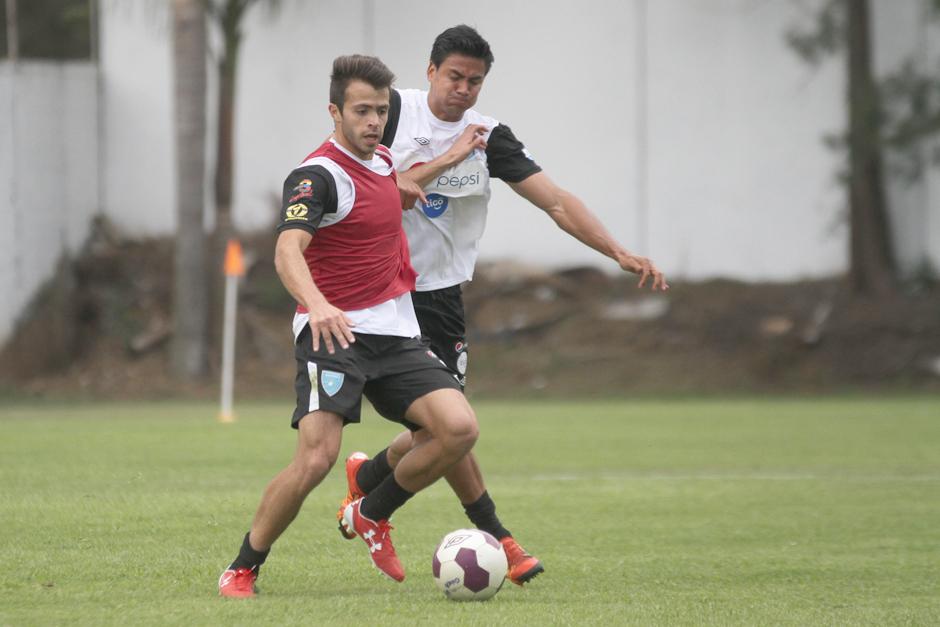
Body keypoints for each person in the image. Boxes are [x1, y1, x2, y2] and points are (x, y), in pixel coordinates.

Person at [335, 25, 669, 587]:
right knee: (452, 429)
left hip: (441, 299)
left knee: (438, 433)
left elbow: (557, 202)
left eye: (476, 81)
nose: (464, 89)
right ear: (430, 71)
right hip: (384, 296)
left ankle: (367, 480)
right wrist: (450, 157)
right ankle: (498, 538)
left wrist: (617, 251)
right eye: (455, 76)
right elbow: (379, 191)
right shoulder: (391, 115)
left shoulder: (490, 136)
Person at [218, 54, 480, 598]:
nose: (373, 121)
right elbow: (288, 248)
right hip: (332, 334)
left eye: (381, 111)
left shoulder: (382, 159)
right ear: (334, 111)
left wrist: (455, 154)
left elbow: (401, 187)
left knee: (458, 429)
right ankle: (243, 566)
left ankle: (370, 512)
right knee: (317, 458)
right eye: (362, 110)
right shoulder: (318, 177)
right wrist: (316, 303)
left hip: (394, 332)